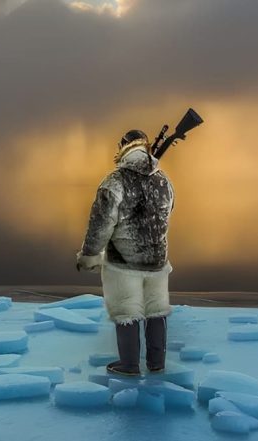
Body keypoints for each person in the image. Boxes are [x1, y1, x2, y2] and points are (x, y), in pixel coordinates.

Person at [76, 129, 175, 376]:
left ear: (123, 148)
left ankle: (129, 364)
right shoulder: (164, 180)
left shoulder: (114, 182)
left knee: (126, 310)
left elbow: (100, 225)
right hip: (157, 261)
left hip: (124, 263)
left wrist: (89, 255)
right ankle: (157, 362)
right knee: (156, 309)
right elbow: (168, 212)